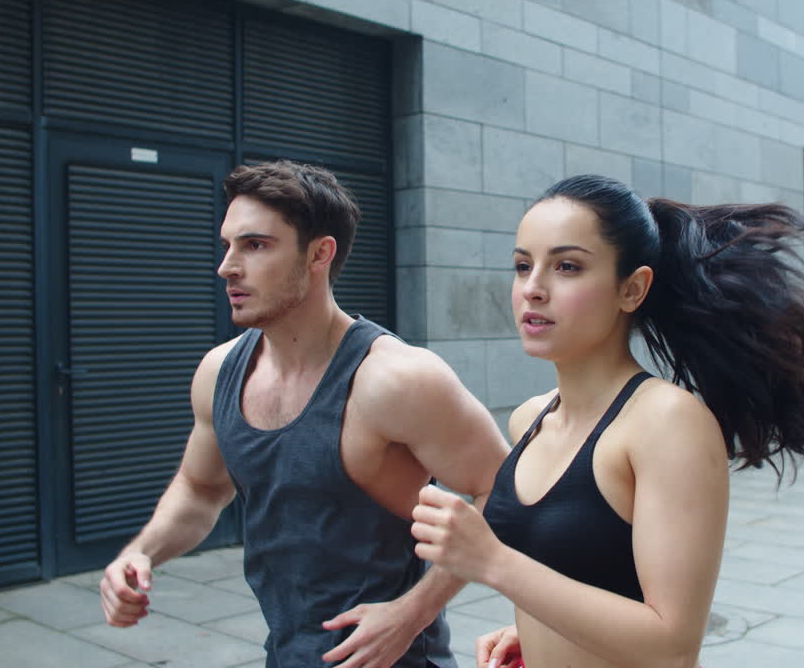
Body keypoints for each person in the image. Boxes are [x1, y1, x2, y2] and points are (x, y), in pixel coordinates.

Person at [410, 175, 804, 668]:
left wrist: (494, 562)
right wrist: (536, 632)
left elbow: (673, 647)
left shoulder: (667, 423)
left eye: (567, 266)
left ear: (632, 288)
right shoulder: (530, 419)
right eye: (522, 266)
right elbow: (585, 576)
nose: (532, 289)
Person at [99, 161, 511, 668]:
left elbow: (505, 490)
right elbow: (201, 488)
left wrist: (412, 613)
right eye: (227, 245)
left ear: (319, 253)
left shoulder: (395, 379)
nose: (227, 266)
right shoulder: (220, 372)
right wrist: (140, 552)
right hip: (287, 653)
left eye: (255, 245)